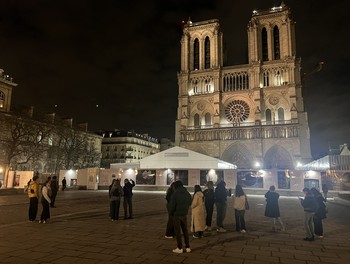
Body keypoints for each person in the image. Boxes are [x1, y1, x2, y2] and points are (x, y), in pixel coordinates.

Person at [169, 180, 192, 254]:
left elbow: (172, 206)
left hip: (176, 214)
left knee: (178, 232)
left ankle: (180, 247)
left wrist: (171, 213)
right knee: (185, 231)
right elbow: (190, 202)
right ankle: (188, 247)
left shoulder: (175, 194)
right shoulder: (187, 193)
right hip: (184, 214)